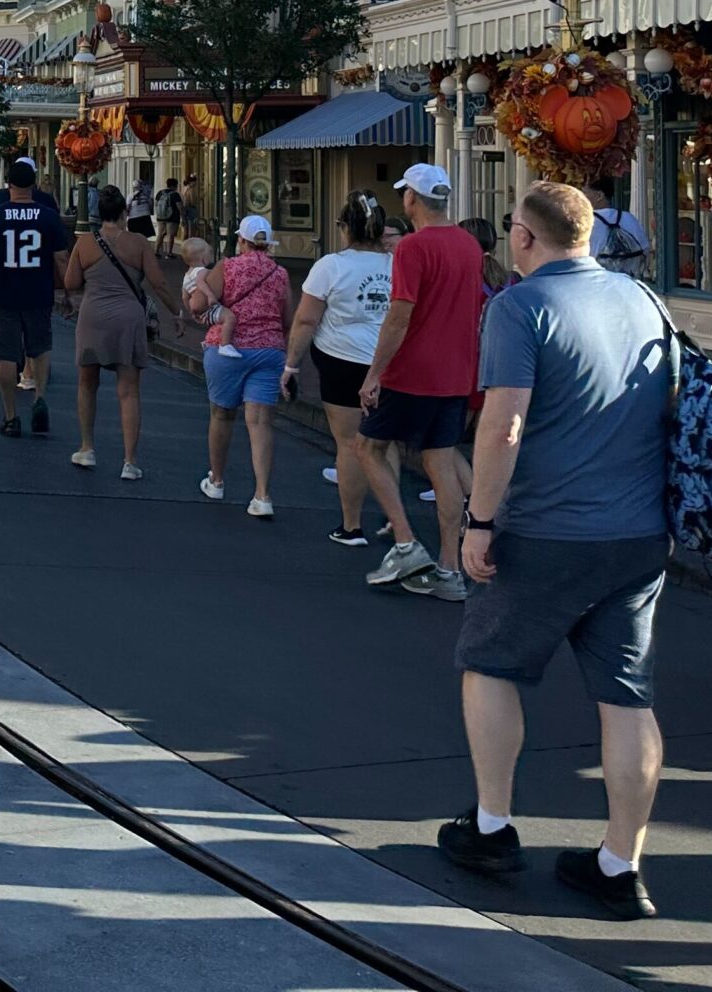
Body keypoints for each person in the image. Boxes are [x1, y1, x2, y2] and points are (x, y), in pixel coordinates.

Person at [437, 182, 673, 920]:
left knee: (490, 666)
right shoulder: (645, 303)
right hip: (636, 534)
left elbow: (502, 426)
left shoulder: (520, 307)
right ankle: (619, 862)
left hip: (546, 529)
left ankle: (492, 825)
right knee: (626, 697)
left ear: (523, 236)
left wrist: (478, 522)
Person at [361, 163, 483, 600]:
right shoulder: (469, 245)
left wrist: (374, 374)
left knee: (370, 447)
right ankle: (450, 569)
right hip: (455, 371)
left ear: (412, 199)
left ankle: (407, 543)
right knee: (440, 461)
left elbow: (399, 316)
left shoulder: (412, 248)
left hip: (413, 370)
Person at [286, 192, 395, 546]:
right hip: (387, 362)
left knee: (349, 444)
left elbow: (305, 320)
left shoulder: (331, 266)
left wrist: (291, 365)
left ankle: (352, 525)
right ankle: (397, 521)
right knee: (384, 441)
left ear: (345, 227)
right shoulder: (396, 265)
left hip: (341, 361)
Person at [60, 184, 172, 480]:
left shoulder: (85, 243)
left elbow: (70, 283)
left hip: (94, 315)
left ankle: (86, 448)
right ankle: (130, 461)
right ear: (124, 213)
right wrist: (177, 312)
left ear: (99, 214)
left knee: (87, 383)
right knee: (129, 390)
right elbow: (159, 283)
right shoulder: (138, 243)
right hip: (128, 318)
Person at [0, 158, 72, 437]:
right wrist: (67, 291)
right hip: (39, 291)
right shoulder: (48, 215)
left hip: (6, 291)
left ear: (9, 185)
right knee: (39, 348)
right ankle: (39, 397)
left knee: (5, 355)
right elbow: (61, 258)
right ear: (34, 185)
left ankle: (10, 415)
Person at [199, 215, 291, 512]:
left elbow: (200, 304)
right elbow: (287, 319)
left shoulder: (228, 266)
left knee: (222, 415)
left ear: (242, 240)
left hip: (229, 348)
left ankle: (217, 480)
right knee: (261, 422)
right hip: (268, 350)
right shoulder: (280, 272)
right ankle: (262, 495)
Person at [592, 203, 652, 283]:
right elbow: (645, 249)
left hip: (599, 282)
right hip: (630, 282)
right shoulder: (628, 217)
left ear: (600, 196)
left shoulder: (589, 220)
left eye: (585, 191)